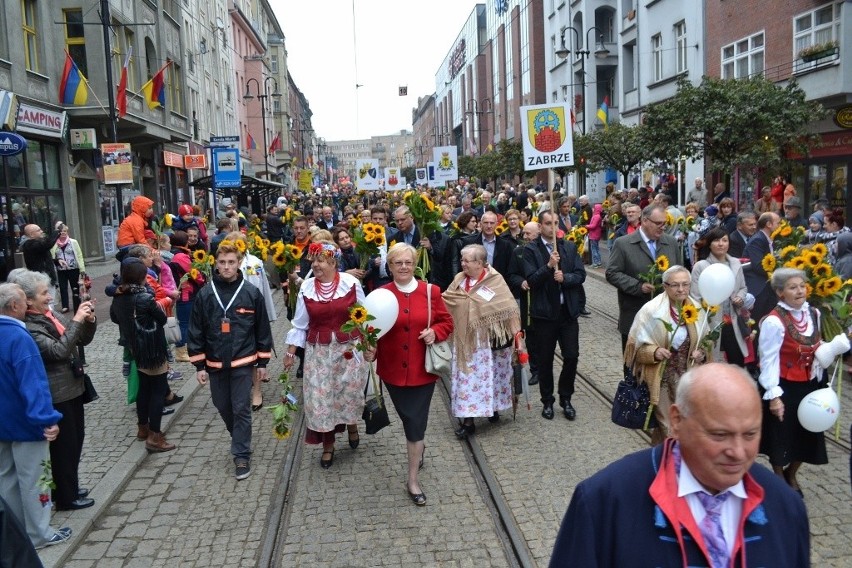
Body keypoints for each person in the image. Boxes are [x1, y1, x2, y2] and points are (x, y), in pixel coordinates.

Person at [550, 363, 809, 567]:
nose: (738, 452)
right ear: (677, 421)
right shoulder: (603, 502)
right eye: (719, 435)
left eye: (750, 434)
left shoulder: (786, 507)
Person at [365, 243, 454, 506]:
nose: (403, 267)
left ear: (415, 265)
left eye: (408, 262)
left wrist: (434, 333)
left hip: (421, 371)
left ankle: (412, 480)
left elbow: (446, 322)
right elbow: (371, 328)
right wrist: (370, 348)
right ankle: (419, 446)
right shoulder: (381, 294)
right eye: (397, 263)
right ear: (389, 266)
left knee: (415, 425)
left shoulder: (431, 292)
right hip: (392, 371)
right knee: (407, 419)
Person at [12, 270, 96, 512]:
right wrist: (78, 321)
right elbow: (58, 351)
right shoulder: (30, 326)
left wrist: (88, 321)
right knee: (64, 447)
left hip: (72, 387)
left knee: (75, 441)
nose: (49, 296)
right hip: (57, 392)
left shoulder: (50, 315)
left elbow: (79, 339)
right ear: (28, 300)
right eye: (43, 293)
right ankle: (66, 497)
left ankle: (68, 486)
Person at [188, 242, 272, 479]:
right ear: (216, 263)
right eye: (222, 262)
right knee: (222, 405)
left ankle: (241, 455)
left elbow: (262, 329)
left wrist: (263, 363)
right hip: (215, 362)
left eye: (231, 262)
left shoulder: (251, 293)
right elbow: (196, 331)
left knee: (241, 408)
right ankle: (239, 438)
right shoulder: (205, 295)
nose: (226, 267)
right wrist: (199, 365)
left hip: (243, 361)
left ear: (239, 264)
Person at [0, 283, 72, 550]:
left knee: (6, 479)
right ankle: (40, 534)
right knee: (37, 479)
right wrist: (46, 418)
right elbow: (33, 384)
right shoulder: (20, 338)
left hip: (3, 422)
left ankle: (16, 532)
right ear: (15, 306)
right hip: (27, 424)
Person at [284, 241, 367, 470]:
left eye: (320, 260)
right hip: (318, 353)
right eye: (314, 260)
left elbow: (365, 314)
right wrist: (290, 352)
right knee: (320, 399)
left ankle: (351, 424)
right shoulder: (307, 287)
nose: (315, 264)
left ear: (333, 262)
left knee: (348, 392)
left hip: (348, 349)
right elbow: (300, 324)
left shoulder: (350, 283)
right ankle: (327, 445)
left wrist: (369, 343)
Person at [757, 268, 828, 496]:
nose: (800, 291)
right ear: (780, 293)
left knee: (810, 434)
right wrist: (773, 396)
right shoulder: (774, 322)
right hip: (783, 385)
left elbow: (818, 346)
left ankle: (792, 472)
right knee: (781, 435)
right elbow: (767, 360)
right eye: (792, 287)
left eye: (802, 286)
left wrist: (833, 348)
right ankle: (779, 477)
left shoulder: (814, 314)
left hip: (810, 384)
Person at [443, 244, 522, 437]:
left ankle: (493, 406)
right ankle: (468, 421)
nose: (462, 264)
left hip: (491, 340)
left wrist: (517, 338)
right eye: (462, 260)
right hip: (466, 340)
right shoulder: (459, 279)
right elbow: (447, 300)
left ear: (479, 263)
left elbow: (509, 307)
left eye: (466, 261)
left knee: (493, 375)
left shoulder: (495, 280)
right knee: (466, 378)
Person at [625, 266, 708, 442]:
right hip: (661, 379)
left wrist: (701, 354)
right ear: (665, 286)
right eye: (675, 285)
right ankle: (667, 463)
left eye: (685, 284)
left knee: (687, 425)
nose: (681, 289)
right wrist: (654, 352)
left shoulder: (697, 309)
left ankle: (663, 459)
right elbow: (636, 350)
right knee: (668, 427)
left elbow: (705, 343)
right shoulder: (651, 311)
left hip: (687, 380)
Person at [523, 210, 586, 420]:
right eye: (548, 223)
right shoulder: (531, 249)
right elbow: (530, 280)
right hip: (544, 315)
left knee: (571, 356)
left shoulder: (568, 246)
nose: (553, 227)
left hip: (567, 313)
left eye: (556, 222)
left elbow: (580, 275)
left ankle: (565, 397)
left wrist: (565, 277)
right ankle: (547, 400)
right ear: (540, 226)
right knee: (545, 360)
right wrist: (548, 267)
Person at [110, 259, 176, 453]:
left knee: (144, 388)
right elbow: (162, 318)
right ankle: (155, 435)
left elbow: (114, 318)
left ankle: (142, 428)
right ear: (141, 277)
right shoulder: (145, 298)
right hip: (152, 349)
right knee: (158, 390)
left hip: (135, 348)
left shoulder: (119, 296)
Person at [606, 205, 681, 353]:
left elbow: (679, 272)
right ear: (645, 221)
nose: (662, 227)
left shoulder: (671, 242)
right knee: (634, 367)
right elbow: (612, 273)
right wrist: (638, 287)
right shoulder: (623, 243)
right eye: (658, 223)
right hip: (635, 314)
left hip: (666, 316)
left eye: (664, 223)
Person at [224, 232, 277, 412]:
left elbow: (263, 289)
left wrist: (268, 314)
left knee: (254, 355)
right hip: (231, 316)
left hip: (252, 314)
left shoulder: (254, 262)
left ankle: (257, 391)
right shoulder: (224, 264)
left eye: (238, 244)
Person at [691, 228, 749, 366]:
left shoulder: (735, 263)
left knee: (737, 363)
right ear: (709, 244)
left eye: (724, 240)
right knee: (711, 362)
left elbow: (743, 287)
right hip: (711, 323)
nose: (721, 244)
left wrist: (740, 297)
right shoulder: (701, 266)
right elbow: (695, 297)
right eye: (716, 240)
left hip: (732, 321)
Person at [743, 212, 781, 324]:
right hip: (759, 289)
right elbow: (758, 265)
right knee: (758, 321)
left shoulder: (768, 239)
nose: (779, 225)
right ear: (769, 224)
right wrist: (777, 271)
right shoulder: (758, 240)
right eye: (778, 223)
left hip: (767, 287)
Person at [51, 224, 86, 315]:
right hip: (61, 269)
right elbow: (52, 255)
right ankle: (65, 306)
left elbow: (79, 255)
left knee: (75, 287)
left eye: (65, 231)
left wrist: (82, 269)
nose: (63, 233)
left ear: (67, 232)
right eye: (61, 231)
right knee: (63, 287)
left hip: (73, 268)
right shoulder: (55, 243)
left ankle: (77, 304)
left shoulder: (73, 242)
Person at [19, 222, 62, 288]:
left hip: (48, 279)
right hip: (41, 279)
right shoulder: (29, 244)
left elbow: (43, 259)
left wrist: (56, 261)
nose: (42, 231)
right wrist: (56, 230)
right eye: (38, 230)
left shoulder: (39, 243)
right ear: (31, 234)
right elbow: (47, 244)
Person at [586, 203, 604, 268]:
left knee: (594, 249)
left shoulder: (596, 216)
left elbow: (593, 226)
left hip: (594, 234)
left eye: (594, 208)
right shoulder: (598, 216)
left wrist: (586, 226)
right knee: (596, 248)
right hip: (597, 234)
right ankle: (598, 262)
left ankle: (595, 263)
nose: (593, 209)